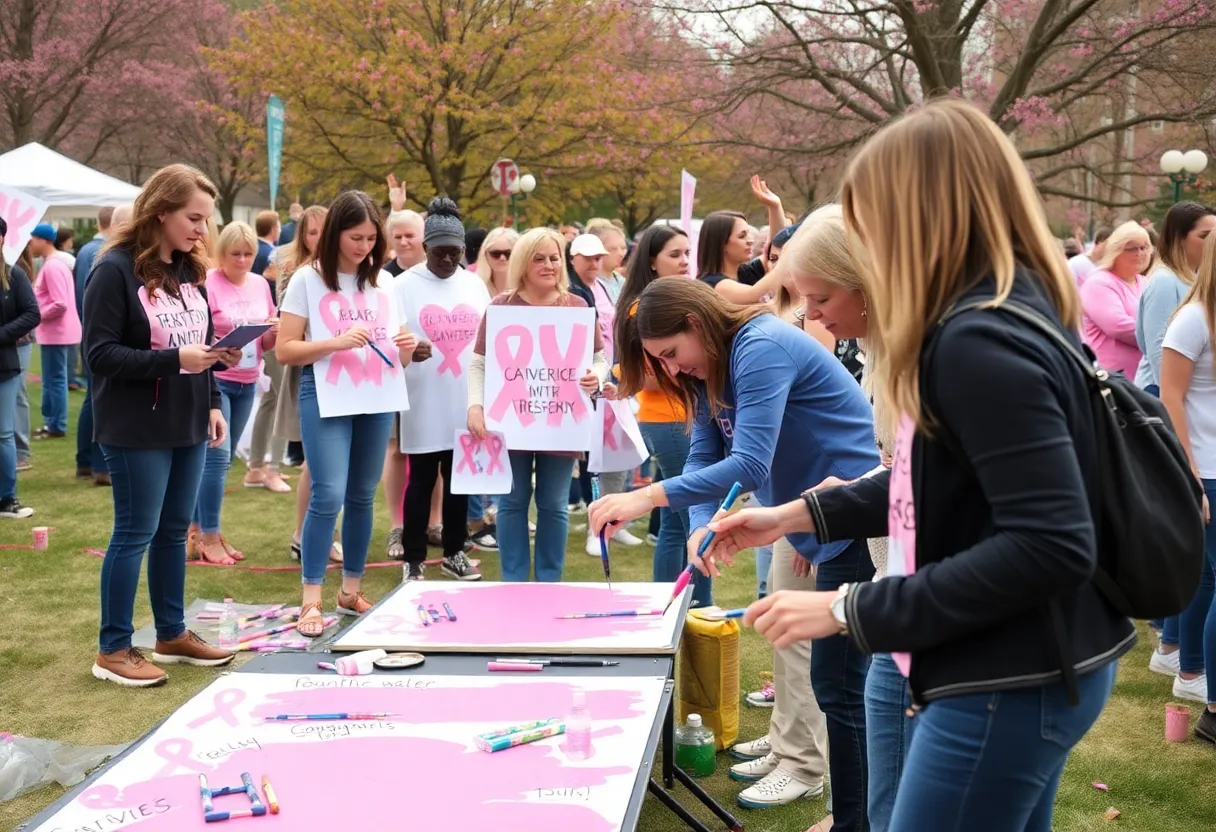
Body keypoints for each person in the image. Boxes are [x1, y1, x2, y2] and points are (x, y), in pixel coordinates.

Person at [708, 99, 1136, 831]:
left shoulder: (978, 340)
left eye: (869, 219)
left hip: (1004, 669)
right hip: (995, 656)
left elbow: (1051, 544)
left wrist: (845, 606)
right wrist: (796, 514)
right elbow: (935, 484)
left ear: (914, 219)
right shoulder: (989, 319)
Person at [590, 277, 878, 831]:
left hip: (851, 513)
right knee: (818, 667)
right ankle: (828, 787)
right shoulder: (709, 368)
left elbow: (750, 464)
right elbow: (704, 455)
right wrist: (701, 524)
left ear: (696, 324)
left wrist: (646, 496)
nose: (672, 368)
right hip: (807, 516)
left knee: (842, 686)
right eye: (660, 360)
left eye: (671, 353)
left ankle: (854, 818)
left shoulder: (759, 346)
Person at [84, 163, 243, 687]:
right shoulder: (113, 270)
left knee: (175, 532)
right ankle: (112, 648)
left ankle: (171, 633)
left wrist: (214, 394)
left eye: (206, 219)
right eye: (194, 218)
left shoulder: (190, 270)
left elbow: (199, 344)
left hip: (189, 418)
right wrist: (176, 360)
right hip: (135, 426)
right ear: (160, 212)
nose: (202, 229)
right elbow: (100, 355)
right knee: (135, 532)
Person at [275, 191, 416, 637]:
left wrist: (408, 347)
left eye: (372, 239)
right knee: (328, 494)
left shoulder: (385, 283)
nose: (365, 247)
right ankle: (311, 597)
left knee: (361, 495)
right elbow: (284, 350)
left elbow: (400, 354)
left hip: (377, 394)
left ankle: (351, 589)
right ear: (336, 233)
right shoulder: (307, 279)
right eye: (357, 238)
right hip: (326, 393)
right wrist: (334, 343)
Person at [467, 227, 607, 582]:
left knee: (554, 504)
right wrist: (475, 406)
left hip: (562, 420)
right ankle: (513, 580)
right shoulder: (501, 307)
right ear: (522, 263)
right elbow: (480, 362)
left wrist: (596, 375)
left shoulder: (577, 305)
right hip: (510, 420)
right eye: (539, 259)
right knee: (512, 502)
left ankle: (549, 581)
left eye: (554, 258)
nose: (549, 265)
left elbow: (599, 358)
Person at [613, 225, 711, 606]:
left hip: (675, 417)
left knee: (673, 519)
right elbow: (644, 375)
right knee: (693, 520)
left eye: (687, 253)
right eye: (675, 254)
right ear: (651, 262)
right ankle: (699, 604)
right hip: (669, 420)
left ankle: (672, 602)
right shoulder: (642, 310)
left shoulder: (657, 303)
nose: (685, 261)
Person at [395, 197, 489, 581]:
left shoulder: (474, 284)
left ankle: (454, 551)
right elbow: (390, 338)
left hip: (464, 398)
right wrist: (407, 350)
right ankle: (413, 558)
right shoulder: (402, 285)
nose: (448, 260)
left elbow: (487, 338)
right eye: (439, 253)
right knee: (420, 480)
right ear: (424, 248)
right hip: (422, 398)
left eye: (456, 253)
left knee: (458, 481)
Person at [187, 222, 278, 565]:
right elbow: (197, 333)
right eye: (235, 254)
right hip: (215, 380)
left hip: (248, 379)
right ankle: (210, 534)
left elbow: (265, 342)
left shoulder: (260, 284)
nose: (242, 261)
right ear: (221, 254)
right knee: (217, 457)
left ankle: (195, 530)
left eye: (248, 254)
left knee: (220, 463)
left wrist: (273, 331)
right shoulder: (208, 282)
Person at [1158, 231, 1216, 733]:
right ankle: (1212, 707)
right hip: (1208, 471)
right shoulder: (1193, 319)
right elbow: (1170, 397)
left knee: (1209, 578)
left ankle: (1194, 672)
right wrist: (1190, 475)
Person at [272, 206, 343, 564]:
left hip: (342, 374)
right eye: (312, 232)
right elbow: (289, 333)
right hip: (308, 371)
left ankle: (322, 533)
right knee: (315, 464)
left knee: (332, 467)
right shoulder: (297, 274)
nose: (319, 238)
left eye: (324, 231)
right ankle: (305, 534)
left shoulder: (345, 271)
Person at [380, 207, 428, 560]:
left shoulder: (439, 272)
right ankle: (397, 524)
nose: (404, 241)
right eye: (397, 236)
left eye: (410, 235)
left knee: (435, 451)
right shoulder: (383, 277)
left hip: (435, 376)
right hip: (395, 375)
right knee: (396, 450)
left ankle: (434, 521)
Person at [0, 216, 41, 518]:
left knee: (3, 433)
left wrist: (2, 334)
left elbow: (31, 313)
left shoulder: (13, 275)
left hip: (4, 365)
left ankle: (7, 498)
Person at [28, 223, 81, 440]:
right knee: (52, 380)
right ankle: (51, 423)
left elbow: (60, 303)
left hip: (56, 333)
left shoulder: (53, 266)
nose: (30, 243)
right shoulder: (55, 263)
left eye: (33, 239)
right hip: (56, 332)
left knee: (55, 380)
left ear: (44, 240)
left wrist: (36, 315)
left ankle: (56, 425)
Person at [75, 207, 115, 484]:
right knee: (102, 398)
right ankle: (101, 466)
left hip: (88, 332)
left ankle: (85, 461)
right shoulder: (105, 254)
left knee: (92, 398)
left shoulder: (85, 251)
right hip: (101, 335)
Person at [1080, 221, 1151, 376]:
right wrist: (1160, 337)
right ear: (1116, 251)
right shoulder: (1099, 283)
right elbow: (1118, 326)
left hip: (1143, 378)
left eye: (1144, 247)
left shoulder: (1145, 282)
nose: (1140, 253)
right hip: (1113, 378)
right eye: (1132, 248)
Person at [474, 227, 518, 298]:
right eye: (496, 253)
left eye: (508, 253)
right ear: (485, 255)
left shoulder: (530, 286)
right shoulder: (474, 285)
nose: (502, 258)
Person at [252, 210, 280, 277]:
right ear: (273, 229)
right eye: (278, 227)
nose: (280, 230)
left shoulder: (251, 248)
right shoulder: (273, 254)